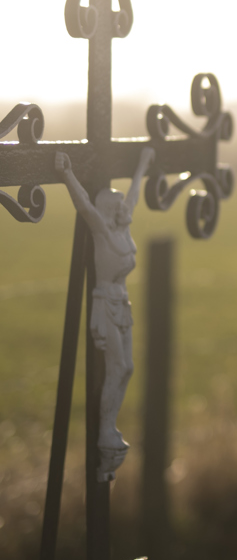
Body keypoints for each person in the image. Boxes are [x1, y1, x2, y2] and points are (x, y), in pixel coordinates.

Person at [55, 146, 155, 481]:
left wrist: (142, 163)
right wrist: (67, 173)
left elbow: (136, 194)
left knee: (128, 368)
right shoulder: (102, 230)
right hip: (105, 303)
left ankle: (110, 430)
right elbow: (83, 203)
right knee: (120, 366)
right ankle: (107, 432)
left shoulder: (123, 226)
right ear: (107, 209)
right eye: (115, 206)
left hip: (122, 303)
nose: (121, 209)